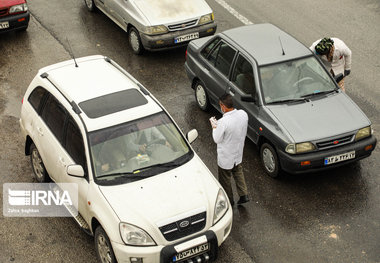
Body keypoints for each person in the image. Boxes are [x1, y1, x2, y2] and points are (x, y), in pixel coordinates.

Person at [210, 93, 250, 206]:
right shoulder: (243, 114)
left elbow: (217, 139)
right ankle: (244, 195)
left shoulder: (223, 122)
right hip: (237, 153)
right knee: (238, 172)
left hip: (226, 156)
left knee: (225, 179)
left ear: (223, 106)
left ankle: (229, 201)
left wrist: (214, 126)